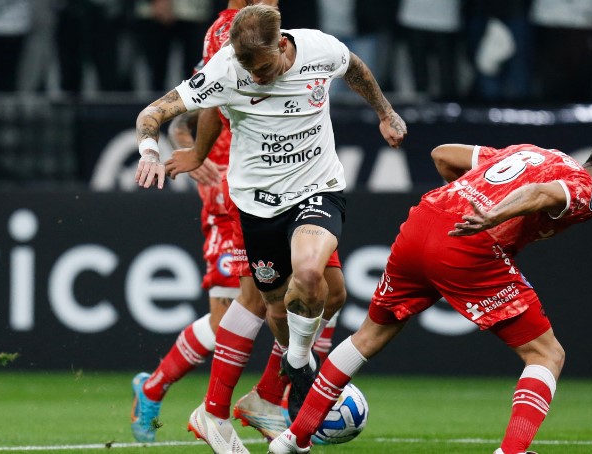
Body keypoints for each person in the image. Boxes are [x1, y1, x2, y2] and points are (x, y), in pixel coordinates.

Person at [133, 4, 406, 451]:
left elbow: (354, 67)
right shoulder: (227, 62)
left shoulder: (317, 47)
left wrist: (385, 112)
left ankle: (282, 379)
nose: (257, 77)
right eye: (249, 70)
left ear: (283, 44)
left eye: (263, 68)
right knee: (283, 303)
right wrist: (150, 150)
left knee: (314, 277)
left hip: (317, 188)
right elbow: (159, 112)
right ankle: (253, 397)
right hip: (256, 203)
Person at [267, 144, 592, 454]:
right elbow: (542, 195)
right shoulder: (586, 192)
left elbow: (442, 156)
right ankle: (513, 451)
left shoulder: (529, 152)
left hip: (421, 224)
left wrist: (467, 200)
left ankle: (292, 439)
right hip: (469, 244)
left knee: (367, 337)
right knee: (546, 354)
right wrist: (492, 215)